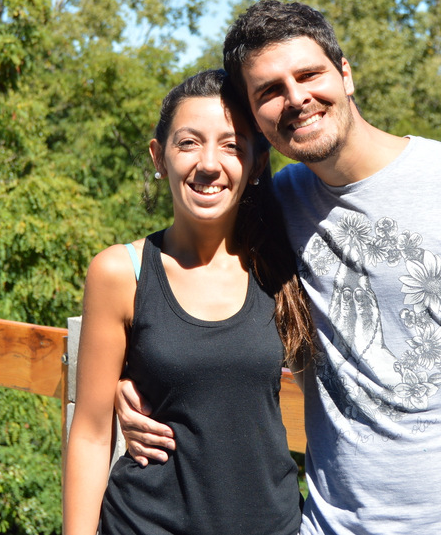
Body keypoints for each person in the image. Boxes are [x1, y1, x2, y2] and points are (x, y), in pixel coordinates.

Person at [117, 1, 441, 535]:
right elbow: (191, 289)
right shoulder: (275, 205)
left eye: (309, 74)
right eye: (269, 91)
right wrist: (132, 379)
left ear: (345, 74)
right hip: (332, 524)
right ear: (256, 117)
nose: (296, 98)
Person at [62, 70, 310, 535]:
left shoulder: (282, 268)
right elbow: (92, 435)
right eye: (189, 143)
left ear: (257, 164)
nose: (209, 163)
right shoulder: (121, 272)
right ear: (159, 157)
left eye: (231, 145)